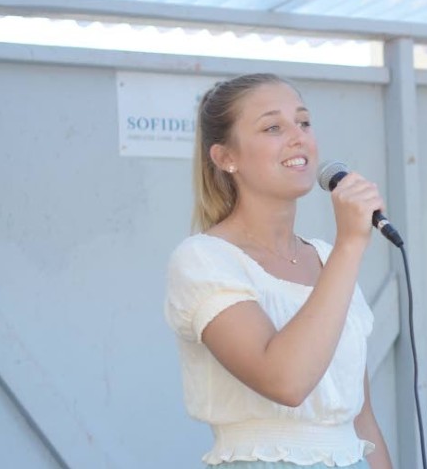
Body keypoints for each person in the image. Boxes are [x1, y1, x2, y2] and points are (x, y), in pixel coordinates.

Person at [164, 73, 393, 469]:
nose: (298, 136)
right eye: (273, 127)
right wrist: (351, 245)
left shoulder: (328, 257)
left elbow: (361, 418)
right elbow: (286, 381)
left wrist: (342, 251)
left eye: (303, 122)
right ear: (224, 157)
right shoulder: (204, 259)